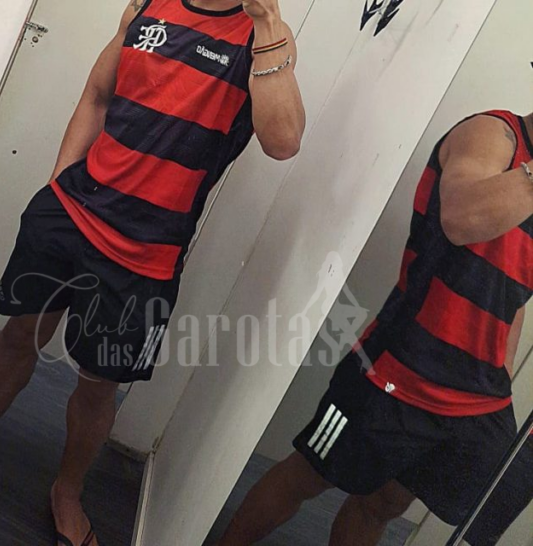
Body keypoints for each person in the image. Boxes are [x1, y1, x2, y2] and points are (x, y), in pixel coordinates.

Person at [0, 0, 305, 544]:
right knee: (19, 336)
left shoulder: (264, 38)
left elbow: (283, 142)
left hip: (145, 256)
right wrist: (57, 189)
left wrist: (269, 21)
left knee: (96, 387)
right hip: (70, 215)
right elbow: (97, 95)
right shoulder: (148, 5)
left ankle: (67, 491)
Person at [217, 108, 533, 546]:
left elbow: (513, 295)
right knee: (309, 474)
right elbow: (461, 219)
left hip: (473, 398)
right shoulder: (493, 134)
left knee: (384, 504)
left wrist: (502, 376)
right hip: (396, 374)